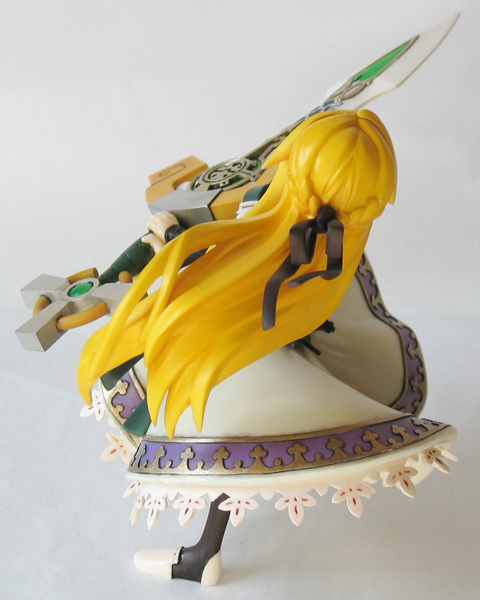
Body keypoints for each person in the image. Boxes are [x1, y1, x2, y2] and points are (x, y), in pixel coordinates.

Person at [78, 109, 456, 585]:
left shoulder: (281, 219)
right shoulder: (340, 238)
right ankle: (203, 555)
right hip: (287, 341)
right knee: (235, 436)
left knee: (221, 431)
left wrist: (170, 239)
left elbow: (228, 264)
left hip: (250, 352)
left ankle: (202, 557)